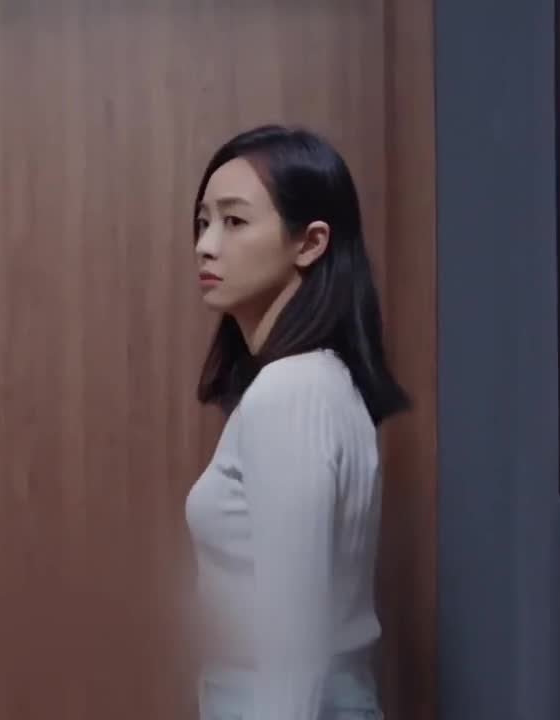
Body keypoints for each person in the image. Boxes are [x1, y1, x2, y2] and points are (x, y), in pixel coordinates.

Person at [183, 125, 408, 720]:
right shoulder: (317, 382)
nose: (206, 245)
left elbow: (294, 649)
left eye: (234, 221)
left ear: (310, 243)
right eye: (202, 222)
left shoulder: (292, 391)